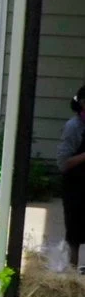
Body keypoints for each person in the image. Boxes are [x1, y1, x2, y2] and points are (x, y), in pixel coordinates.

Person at [60, 87, 85, 271]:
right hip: (76, 186)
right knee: (75, 232)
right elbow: (63, 163)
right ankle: (72, 274)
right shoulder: (73, 127)